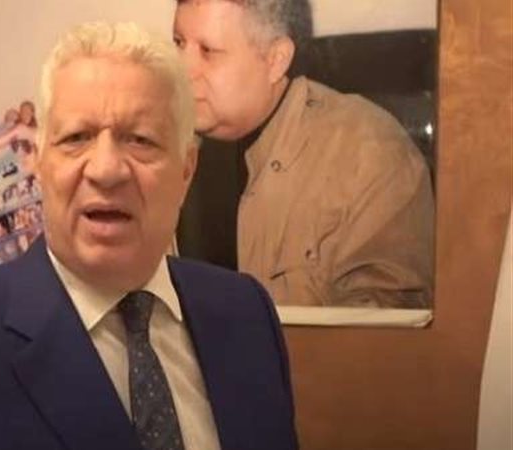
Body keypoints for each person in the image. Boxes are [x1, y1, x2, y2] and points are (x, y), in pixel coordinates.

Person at [0, 21, 297, 450]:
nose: (106, 170)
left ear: (186, 171)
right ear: (39, 163)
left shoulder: (247, 313)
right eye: (76, 138)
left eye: (140, 140)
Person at [173, 0, 434, 308]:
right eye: (179, 43)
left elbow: (386, 323)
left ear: (276, 60)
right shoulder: (161, 140)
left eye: (207, 51)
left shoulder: (369, 152)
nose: (181, 69)